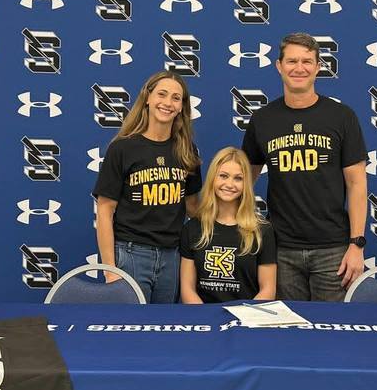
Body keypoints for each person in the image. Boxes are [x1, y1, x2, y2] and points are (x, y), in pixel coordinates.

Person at [242, 32, 368, 301]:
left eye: (307, 61)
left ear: (318, 67)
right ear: (279, 66)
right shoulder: (263, 119)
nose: (299, 68)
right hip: (281, 248)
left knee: (333, 332)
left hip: (333, 249)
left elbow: (357, 184)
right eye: (292, 61)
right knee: (289, 332)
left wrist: (356, 244)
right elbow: (243, 181)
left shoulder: (341, 116)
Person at [94, 71, 201, 303]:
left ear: (182, 107)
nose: (168, 103)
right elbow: (104, 210)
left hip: (172, 257)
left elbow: (193, 208)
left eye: (176, 98)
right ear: (148, 98)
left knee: (163, 329)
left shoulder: (186, 151)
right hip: (131, 254)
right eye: (162, 94)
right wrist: (109, 268)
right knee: (129, 328)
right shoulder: (122, 148)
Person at [180, 147, 276, 304]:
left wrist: (245, 317)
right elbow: (187, 289)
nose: (230, 184)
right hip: (205, 319)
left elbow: (268, 290)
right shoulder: (192, 228)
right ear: (213, 178)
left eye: (238, 178)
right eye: (223, 176)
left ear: (246, 183)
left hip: (247, 321)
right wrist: (206, 318)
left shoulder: (262, 231)